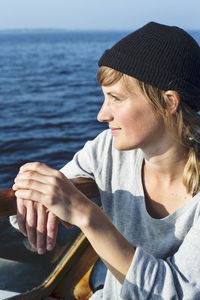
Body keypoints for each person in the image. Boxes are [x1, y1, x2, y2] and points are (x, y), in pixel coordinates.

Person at [12, 22, 200, 299]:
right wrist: (32, 187)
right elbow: (24, 217)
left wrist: (88, 216)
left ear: (169, 102)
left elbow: (180, 293)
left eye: (116, 98)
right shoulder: (108, 151)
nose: (102, 114)